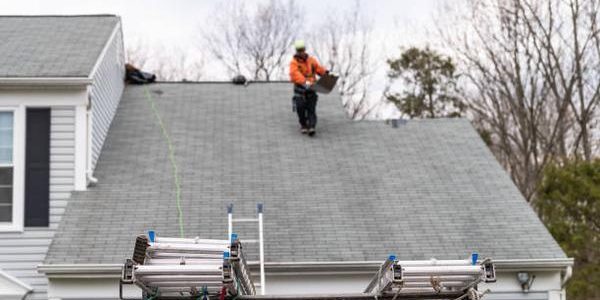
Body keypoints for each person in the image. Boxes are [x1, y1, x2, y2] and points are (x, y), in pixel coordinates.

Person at [289, 40, 329, 136]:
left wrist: (326, 73)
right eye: (299, 50)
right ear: (297, 51)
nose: (301, 52)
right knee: (300, 108)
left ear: (304, 50)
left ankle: (312, 126)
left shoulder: (311, 61)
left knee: (311, 109)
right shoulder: (294, 63)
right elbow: (295, 75)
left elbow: (318, 69)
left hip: (311, 90)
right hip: (300, 91)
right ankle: (303, 125)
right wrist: (306, 83)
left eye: (302, 50)